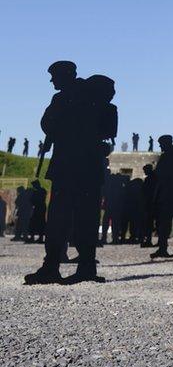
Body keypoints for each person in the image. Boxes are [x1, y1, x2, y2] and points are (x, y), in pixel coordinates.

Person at [26, 63, 117, 285]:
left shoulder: (62, 99)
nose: (53, 82)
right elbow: (106, 132)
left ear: (65, 75)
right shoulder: (95, 97)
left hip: (67, 167)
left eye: (54, 77)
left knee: (59, 218)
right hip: (89, 167)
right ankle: (85, 266)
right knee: (86, 217)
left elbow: (46, 124)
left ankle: (52, 266)